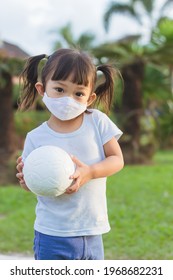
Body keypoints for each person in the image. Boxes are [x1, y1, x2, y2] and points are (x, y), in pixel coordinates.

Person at [16, 48, 124, 260]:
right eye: (59, 89)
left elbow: (117, 160)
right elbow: (33, 182)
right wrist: (27, 180)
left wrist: (90, 172)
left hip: (92, 231)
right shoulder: (36, 137)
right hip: (52, 234)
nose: (68, 99)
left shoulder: (97, 122)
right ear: (42, 89)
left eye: (78, 93)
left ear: (90, 97)